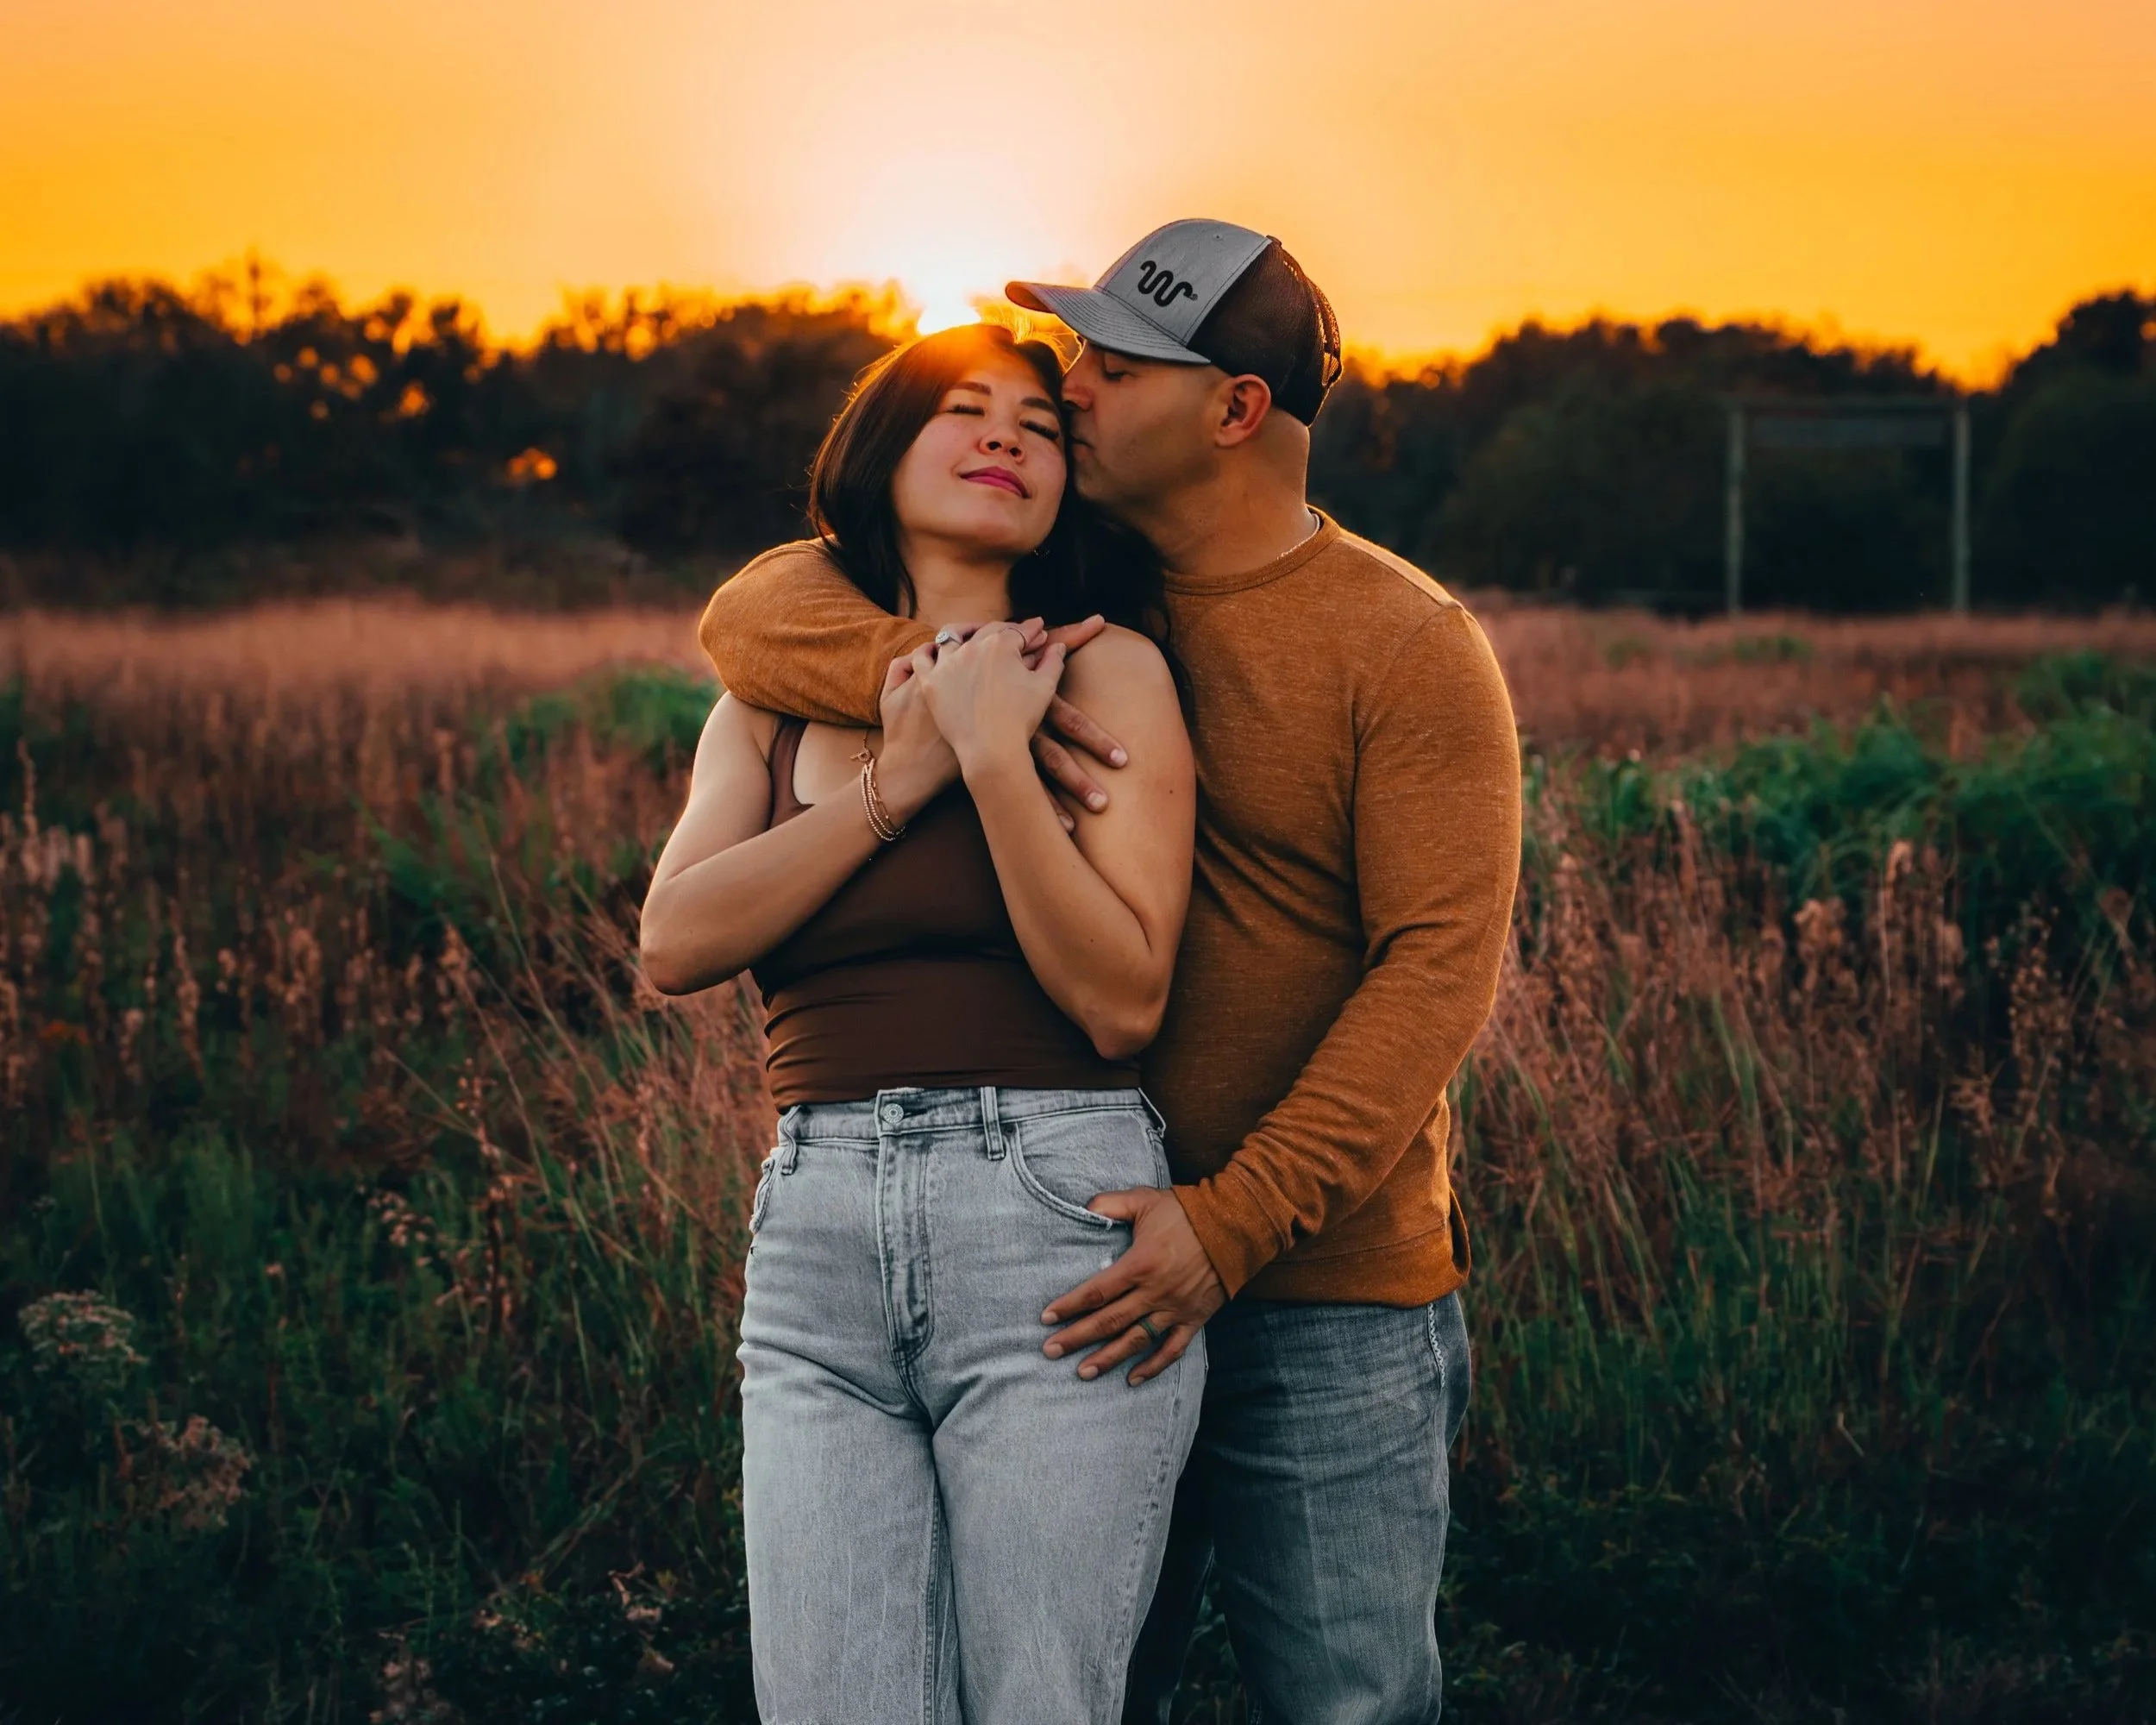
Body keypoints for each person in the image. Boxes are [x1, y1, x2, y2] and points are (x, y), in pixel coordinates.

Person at [698, 219, 1524, 1722]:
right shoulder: (1069, 590)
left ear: (1234, 411)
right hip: (1060, 1256)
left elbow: (1436, 975)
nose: (1070, 384)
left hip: (1314, 1285)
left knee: (1340, 1701)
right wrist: (945, 708)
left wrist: (1229, 1227)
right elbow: (754, 610)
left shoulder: (1405, 644)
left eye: (1113, 362)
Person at [639, 321, 1203, 1722]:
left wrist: (996, 757)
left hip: (1054, 1217)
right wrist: (895, 783)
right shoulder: (760, 706)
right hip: (818, 1231)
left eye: (1040, 422)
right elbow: (677, 938)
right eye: (964, 408)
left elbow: (1122, 998)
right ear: (883, 451)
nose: (1008, 434)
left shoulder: (1104, 670)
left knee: (1040, 1705)